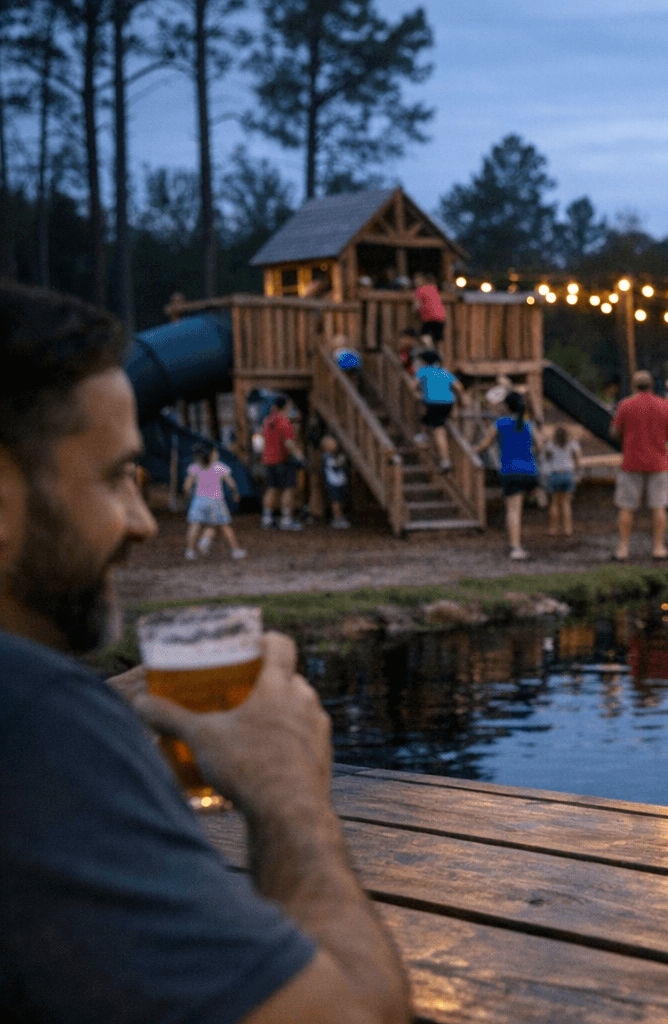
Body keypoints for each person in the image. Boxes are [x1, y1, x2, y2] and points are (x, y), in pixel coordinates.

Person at [0, 283, 410, 1023]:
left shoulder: (47, 713)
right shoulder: (28, 723)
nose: (140, 522)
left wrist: (100, 713)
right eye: (115, 475)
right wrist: (287, 792)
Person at [610, 370, 668, 561]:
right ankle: (658, 548)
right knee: (658, 506)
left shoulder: (625, 404)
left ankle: (623, 549)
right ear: (652, 385)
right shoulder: (664, 405)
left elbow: (614, 432)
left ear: (633, 385)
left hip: (631, 462)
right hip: (658, 462)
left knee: (626, 507)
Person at [474, 391, 539, 560]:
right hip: (530, 471)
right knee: (520, 507)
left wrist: (471, 450)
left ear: (506, 406)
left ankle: (515, 548)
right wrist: (528, 452)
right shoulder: (528, 424)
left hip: (510, 470)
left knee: (513, 510)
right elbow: (540, 444)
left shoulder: (499, 424)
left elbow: (484, 445)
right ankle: (537, 496)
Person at [183, 444, 246, 560]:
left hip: (198, 500)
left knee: (195, 525)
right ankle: (235, 550)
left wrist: (187, 495)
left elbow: (187, 486)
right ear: (212, 455)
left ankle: (190, 551)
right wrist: (235, 493)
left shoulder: (194, 468)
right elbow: (231, 483)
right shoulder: (219, 467)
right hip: (216, 501)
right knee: (223, 526)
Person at [412, 349, 462, 472]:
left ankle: (445, 461)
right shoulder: (444, 371)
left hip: (434, 403)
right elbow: (458, 386)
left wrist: (417, 393)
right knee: (425, 420)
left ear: (424, 361)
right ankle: (424, 438)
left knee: (439, 431)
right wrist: (461, 400)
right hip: (448, 402)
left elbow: (413, 385)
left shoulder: (423, 371)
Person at [259, 394, 304, 530]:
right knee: (288, 489)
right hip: (283, 460)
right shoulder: (285, 422)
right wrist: (299, 455)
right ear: (286, 406)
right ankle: (286, 519)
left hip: (268, 459)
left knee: (272, 488)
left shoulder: (268, 421)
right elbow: (289, 442)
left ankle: (267, 518)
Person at [542, 424, 582, 538]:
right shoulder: (572, 443)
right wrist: (577, 472)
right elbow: (578, 458)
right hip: (568, 474)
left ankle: (553, 529)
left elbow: (546, 458)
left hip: (555, 474)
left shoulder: (550, 444)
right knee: (566, 503)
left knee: (555, 502)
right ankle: (568, 529)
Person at [320, 435, 351, 529]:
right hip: (333, 482)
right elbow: (334, 466)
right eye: (332, 443)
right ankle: (337, 518)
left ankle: (340, 516)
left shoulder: (335, 455)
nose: (335, 445)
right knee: (336, 501)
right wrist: (341, 461)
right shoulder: (326, 456)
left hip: (340, 481)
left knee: (341, 500)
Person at [413, 272, 445, 349]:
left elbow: (416, 306)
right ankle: (440, 355)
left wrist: (415, 315)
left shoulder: (419, 290)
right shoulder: (433, 287)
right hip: (440, 316)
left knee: (425, 336)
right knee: (438, 338)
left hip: (428, 317)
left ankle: (429, 352)